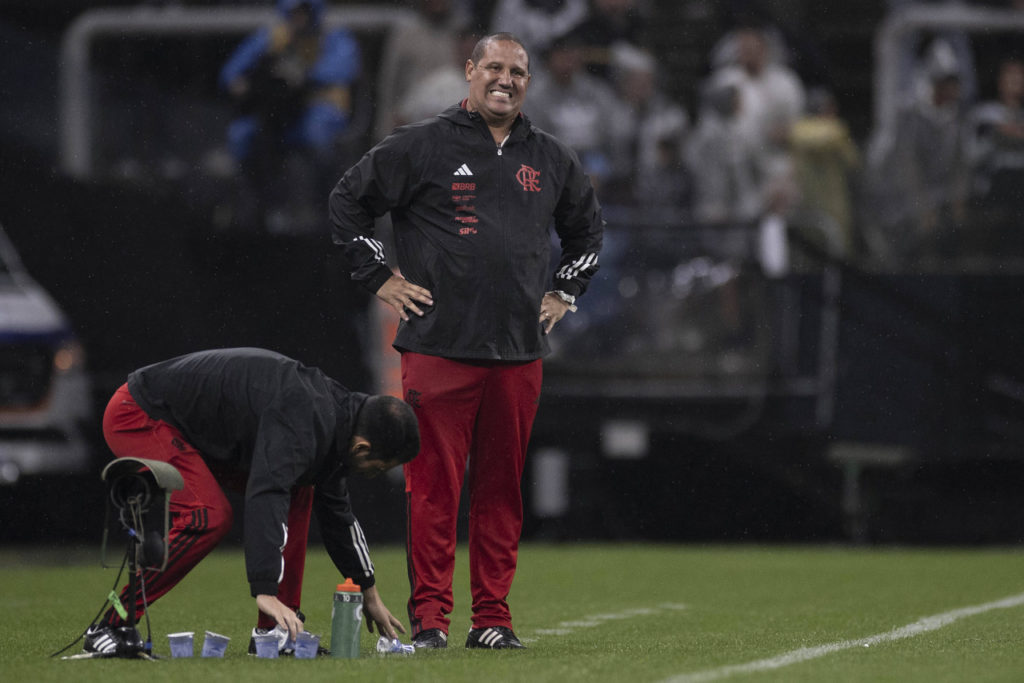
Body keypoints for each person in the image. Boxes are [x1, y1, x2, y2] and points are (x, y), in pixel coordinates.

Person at [329, 32, 603, 650]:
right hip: (438, 349)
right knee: (434, 492)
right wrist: (379, 277)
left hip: (518, 354)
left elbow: (587, 232)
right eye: (495, 68)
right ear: (470, 71)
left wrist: (564, 292)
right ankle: (429, 622)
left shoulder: (552, 156)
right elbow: (347, 201)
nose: (506, 80)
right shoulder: (421, 144)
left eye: (519, 72)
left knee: (501, 493)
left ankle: (493, 620)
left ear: (528, 83)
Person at [83, 348, 418, 657]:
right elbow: (268, 491)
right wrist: (264, 589)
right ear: (362, 448)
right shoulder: (307, 420)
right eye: (380, 468)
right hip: (137, 414)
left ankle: (273, 634)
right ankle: (110, 623)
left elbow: (338, 514)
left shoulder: (336, 421)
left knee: (302, 489)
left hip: (188, 424)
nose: (374, 475)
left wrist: (368, 591)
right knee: (208, 517)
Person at [219, 0, 362, 234]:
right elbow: (231, 72)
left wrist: (307, 76)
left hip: (319, 107)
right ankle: (254, 207)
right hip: (283, 111)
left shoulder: (331, 34)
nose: (298, 18)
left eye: (303, 11)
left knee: (317, 136)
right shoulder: (276, 33)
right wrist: (247, 84)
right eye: (292, 12)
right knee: (242, 135)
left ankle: (328, 205)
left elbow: (346, 67)